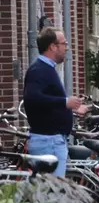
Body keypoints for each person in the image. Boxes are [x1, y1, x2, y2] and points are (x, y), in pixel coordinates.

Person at [23, 27, 87, 177]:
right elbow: (32, 99)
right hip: (48, 143)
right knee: (52, 194)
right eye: (64, 44)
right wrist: (65, 103)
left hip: (52, 141)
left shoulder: (46, 69)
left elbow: (46, 104)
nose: (67, 48)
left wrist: (72, 108)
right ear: (53, 46)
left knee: (51, 193)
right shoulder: (39, 70)